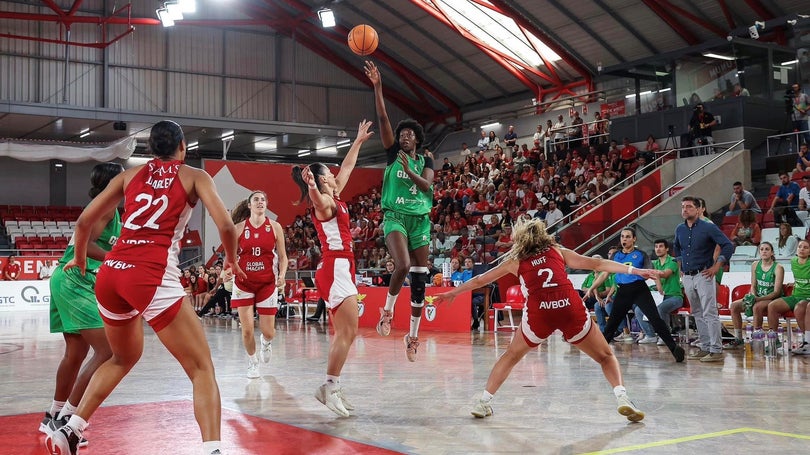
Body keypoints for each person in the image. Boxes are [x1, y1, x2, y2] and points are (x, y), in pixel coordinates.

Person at [45, 120, 243, 455]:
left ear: (150, 149)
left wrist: (79, 259)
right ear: (182, 147)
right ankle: (213, 450)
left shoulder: (128, 176)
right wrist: (231, 261)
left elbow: (83, 222)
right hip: (150, 273)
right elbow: (226, 224)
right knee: (201, 368)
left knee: (122, 357)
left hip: (112, 274)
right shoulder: (195, 176)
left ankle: (72, 429)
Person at [433, 218, 657, 422]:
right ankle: (622, 397)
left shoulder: (516, 260)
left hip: (540, 312)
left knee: (511, 355)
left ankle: (484, 402)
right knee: (606, 356)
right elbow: (598, 265)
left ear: (519, 241)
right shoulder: (558, 251)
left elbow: (481, 279)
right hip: (569, 307)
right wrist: (634, 270)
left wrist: (453, 292)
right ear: (543, 235)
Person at [291, 119, 373, 417]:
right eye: (329, 172)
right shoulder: (324, 200)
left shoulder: (335, 194)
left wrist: (358, 141)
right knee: (348, 332)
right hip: (336, 266)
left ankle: (332, 385)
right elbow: (317, 202)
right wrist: (311, 187)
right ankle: (329, 386)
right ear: (323, 179)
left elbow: (348, 167)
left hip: (342, 267)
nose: (336, 173)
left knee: (345, 333)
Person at [40, 163, 123, 447]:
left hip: (69, 279)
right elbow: (84, 244)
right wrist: (113, 258)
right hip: (74, 279)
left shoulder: (110, 208)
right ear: (115, 181)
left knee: (76, 352)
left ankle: (53, 413)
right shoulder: (106, 208)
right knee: (108, 350)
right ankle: (67, 419)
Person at [365, 61, 435, 362]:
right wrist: (378, 86)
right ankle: (388, 311)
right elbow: (382, 118)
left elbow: (428, 187)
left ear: (417, 139)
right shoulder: (394, 154)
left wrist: (411, 169)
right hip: (395, 216)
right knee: (403, 265)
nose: (404, 136)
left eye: (409, 134)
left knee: (420, 280)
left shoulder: (425, 159)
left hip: (420, 219)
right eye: (401, 133)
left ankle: (413, 335)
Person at [586, 228, 684, 362]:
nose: (624, 239)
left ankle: (674, 349)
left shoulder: (641, 254)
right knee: (612, 322)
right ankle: (600, 352)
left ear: (634, 239)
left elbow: (649, 272)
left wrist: (655, 281)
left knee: (655, 318)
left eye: (627, 237)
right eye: (622, 237)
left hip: (639, 290)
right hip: (622, 291)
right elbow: (605, 273)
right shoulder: (616, 256)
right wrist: (592, 287)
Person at [229, 190, 288, 379]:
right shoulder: (238, 228)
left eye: (263, 199)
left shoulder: (275, 227)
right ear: (249, 205)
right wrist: (227, 269)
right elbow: (230, 255)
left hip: (267, 283)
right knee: (246, 330)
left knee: (268, 331)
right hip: (243, 283)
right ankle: (253, 362)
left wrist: (282, 275)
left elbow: (284, 257)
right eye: (256, 200)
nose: (260, 202)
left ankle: (266, 342)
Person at [673, 196, 735, 363]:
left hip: (704, 274)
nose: (685, 209)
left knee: (710, 312)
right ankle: (705, 346)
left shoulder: (708, 227)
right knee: (697, 312)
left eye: (689, 207)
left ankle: (716, 349)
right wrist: (680, 267)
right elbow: (676, 247)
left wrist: (717, 267)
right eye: (683, 207)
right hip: (687, 275)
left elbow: (728, 245)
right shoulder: (680, 229)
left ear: (699, 209)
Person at [727, 242, 783, 348]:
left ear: (772, 252)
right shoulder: (755, 265)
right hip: (758, 297)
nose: (764, 251)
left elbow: (776, 292)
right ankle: (738, 338)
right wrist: (753, 296)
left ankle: (758, 337)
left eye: (767, 249)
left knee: (757, 307)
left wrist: (758, 299)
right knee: (734, 306)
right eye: (761, 249)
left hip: (772, 298)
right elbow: (753, 285)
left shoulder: (778, 267)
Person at [633, 239, 684, 345]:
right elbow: (646, 274)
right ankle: (650, 335)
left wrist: (653, 276)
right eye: (656, 247)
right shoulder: (654, 263)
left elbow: (665, 274)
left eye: (661, 246)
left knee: (661, 309)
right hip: (659, 297)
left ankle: (665, 335)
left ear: (667, 249)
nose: (658, 249)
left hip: (674, 296)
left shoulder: (673, 261)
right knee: (639, 309)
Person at [768, 239, 810, 355]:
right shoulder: (793, 261)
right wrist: (794, 283)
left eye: (805, 247)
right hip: (796, 295)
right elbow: (801, 279)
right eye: (800, 247)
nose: (802, 249)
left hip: (807, 297)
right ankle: (774, 340)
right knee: (772, 306)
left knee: (799, 307)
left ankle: (808, 342)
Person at [790, 83, 810, 147]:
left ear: (799, 88)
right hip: (794, 119)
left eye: (796, 87)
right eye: (793, 87)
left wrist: (805, 110)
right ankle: (799, 151)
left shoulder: (804, 95)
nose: (794, 89)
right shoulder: (791, 97)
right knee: (797, 136)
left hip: (803, 118)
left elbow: (809, 104)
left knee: (806, 135)